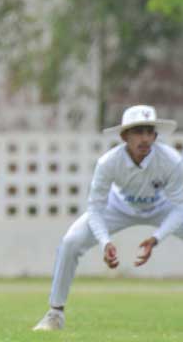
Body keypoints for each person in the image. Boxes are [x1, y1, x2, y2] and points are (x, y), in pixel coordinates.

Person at [33, 105, 183, 331]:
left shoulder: (171, 160)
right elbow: (95, 208)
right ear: (124, 136)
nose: (144, 138)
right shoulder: (108, 162)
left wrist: (157, 238)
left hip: (162, 206)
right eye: (137, 132)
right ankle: (55, 313)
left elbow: (180, 206)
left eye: (149, 131)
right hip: (118, 207)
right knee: (71, 243)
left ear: (155, 135)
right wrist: (105, 242)